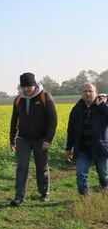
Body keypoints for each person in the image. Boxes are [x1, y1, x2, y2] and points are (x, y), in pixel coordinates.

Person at [9, 72, 58, 205]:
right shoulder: (18, 99)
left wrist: (48, 139)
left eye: (28, 87)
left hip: (41, 139)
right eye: (23, 87)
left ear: (34, 84)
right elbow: (14, 120)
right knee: (21, 167)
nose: (26, 90)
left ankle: (44, 193)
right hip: (23, 139)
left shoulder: (45, 97)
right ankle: (19, 197)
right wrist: (12, 139)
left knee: (41, 167)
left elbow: (53, 120)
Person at [65, 83, 108, 195]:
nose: (88, 93)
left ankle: (105, 195)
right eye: (85, 91)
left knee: (104, 176)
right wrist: (68, 148)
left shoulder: (103, 107)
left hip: (101, 148)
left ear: (96, 92)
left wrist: (102, 105)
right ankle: (84, 198)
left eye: (90, 91)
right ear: (81, 94)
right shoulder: (76, 109)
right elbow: (71, 130)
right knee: (81, 174)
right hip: (82, 149)